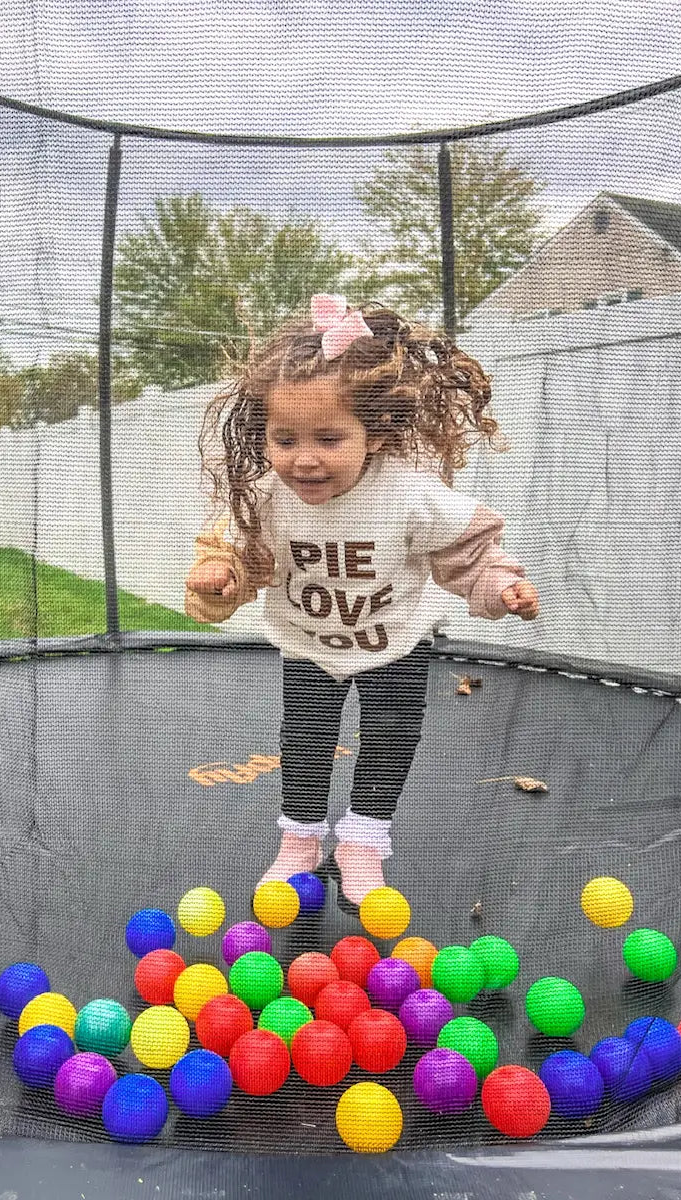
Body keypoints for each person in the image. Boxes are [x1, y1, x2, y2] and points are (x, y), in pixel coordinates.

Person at [184, 295, 540, 908]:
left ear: (372, 433)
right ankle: (300, 840)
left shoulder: (408, 493)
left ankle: (364, 840)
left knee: (388, 738)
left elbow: (465, 554)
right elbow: (244, 558)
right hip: (310, 642)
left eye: (328, 438)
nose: (304, 458)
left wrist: (497, 587)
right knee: (305, 738)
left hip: (394, 641)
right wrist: (221, 575)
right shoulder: (269, 497)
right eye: (284, 438)